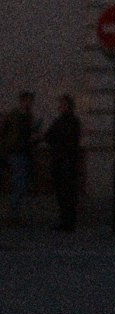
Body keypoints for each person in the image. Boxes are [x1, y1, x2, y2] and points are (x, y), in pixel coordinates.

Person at [44, 94, 82, 231]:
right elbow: (49, 136)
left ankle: (68, 222)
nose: (60, 107)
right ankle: (66, 221)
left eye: (62, 104)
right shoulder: (61, 121)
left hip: (66, 162)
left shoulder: (70, 122)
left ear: (68, 106)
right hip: (62, 161)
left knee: (67, 194)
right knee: (63, 194)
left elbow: (61, 139)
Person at [2, 90, 40, 225]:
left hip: (25, 153)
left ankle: (14, 214)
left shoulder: (29, 117)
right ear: (22, 101)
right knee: (19, 184)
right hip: (16, 153)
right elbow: (5, 132)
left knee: (21, 185)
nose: (30, 103)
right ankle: (13, 216)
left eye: (31, 101)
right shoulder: (14, 115)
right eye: (28, 100)